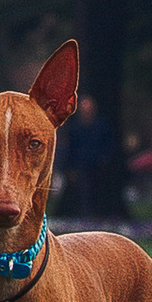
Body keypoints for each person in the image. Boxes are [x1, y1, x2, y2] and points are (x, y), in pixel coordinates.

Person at [56, 92, 119, 221]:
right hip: (81, 167)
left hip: (98, 167)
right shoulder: (75, 129)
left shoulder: (101, 127)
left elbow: (109, 146)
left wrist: (104, 160)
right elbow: (71, 150)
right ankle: (84, 216)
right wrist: (70, 168)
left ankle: (100, 216)